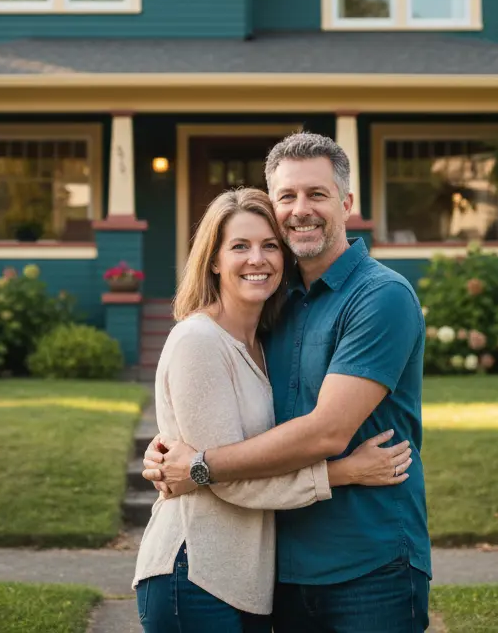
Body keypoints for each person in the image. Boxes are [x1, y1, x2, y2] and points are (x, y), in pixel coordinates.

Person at [144, 133, 431, 632]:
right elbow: (226, 416)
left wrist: (201, 465)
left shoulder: (381, 297)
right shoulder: (275, 304)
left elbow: (326, 433)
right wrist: (170, 447)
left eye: (317, 194)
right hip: (283, 570)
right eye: (287, 196)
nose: (302, 209)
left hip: (371, 563)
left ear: (346, 202)